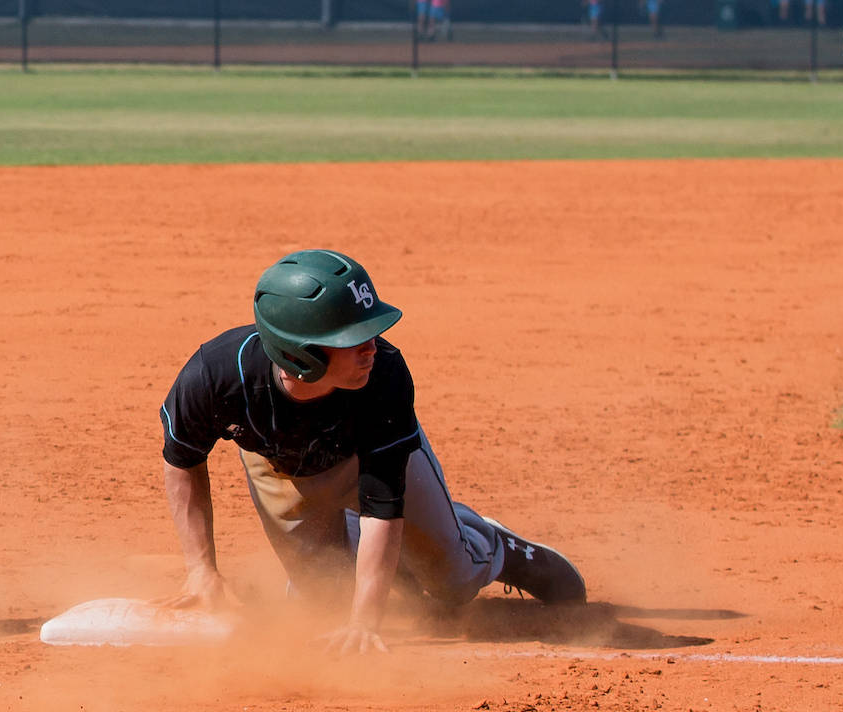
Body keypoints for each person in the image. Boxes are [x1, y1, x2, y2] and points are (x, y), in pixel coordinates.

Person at [158, 250, 587, 651]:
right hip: (281, 468)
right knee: (324, 604)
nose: (371, 347)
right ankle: (381, 560)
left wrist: (365, 622)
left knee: (452, 582)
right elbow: (183, 461)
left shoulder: (384, 376)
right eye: (352, 337)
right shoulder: (214, 378)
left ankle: (490, 542)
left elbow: (382, 503)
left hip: (364, 457)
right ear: (301, 354)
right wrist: (201, 569)